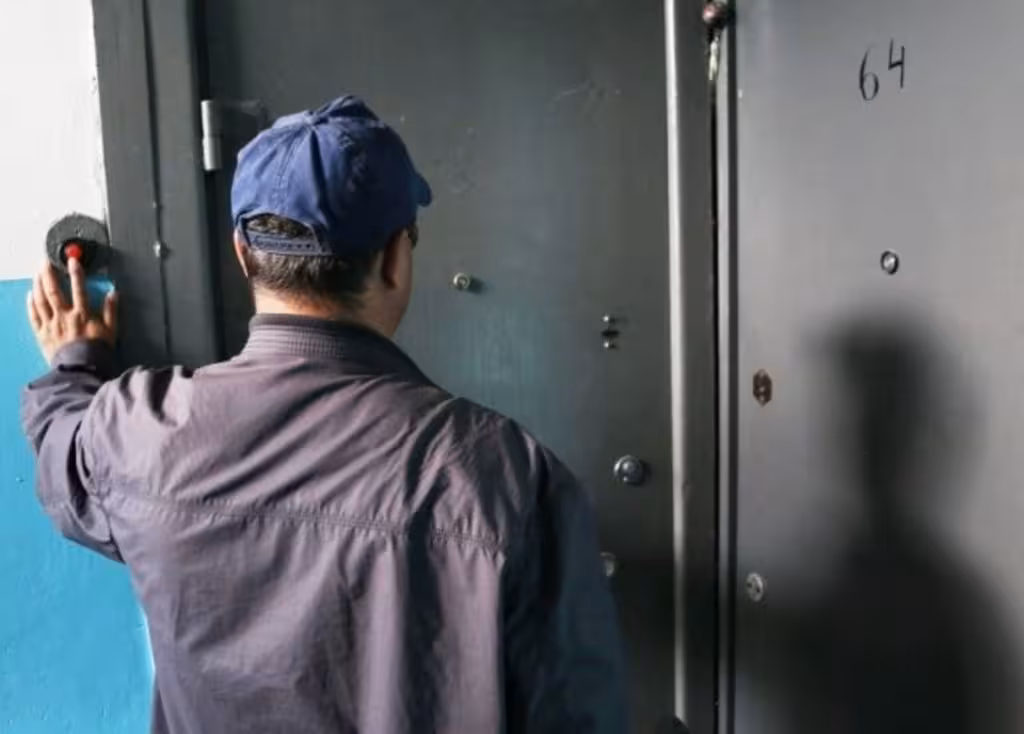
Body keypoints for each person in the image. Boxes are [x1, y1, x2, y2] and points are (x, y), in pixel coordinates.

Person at [21, 95, 627, 733]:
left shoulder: (138, 431)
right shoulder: (509, 477)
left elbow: (61, 448)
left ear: (241, 253)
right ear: (394, 258)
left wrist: (75, 360)